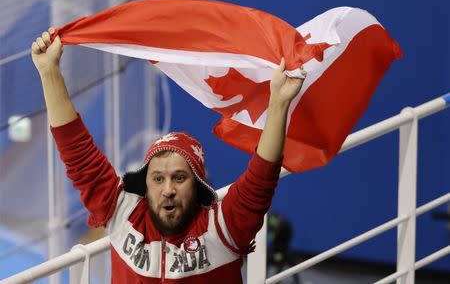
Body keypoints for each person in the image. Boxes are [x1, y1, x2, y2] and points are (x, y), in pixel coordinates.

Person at [32, 27, 306, 283]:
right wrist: (49, 72)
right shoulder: (122, 211)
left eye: (179, 177)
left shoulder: (224, 227)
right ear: (145, 184)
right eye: (158, 178)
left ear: (198, 185)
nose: (168, 190)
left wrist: (278, 104)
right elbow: (78, 152)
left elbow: (262, 176)